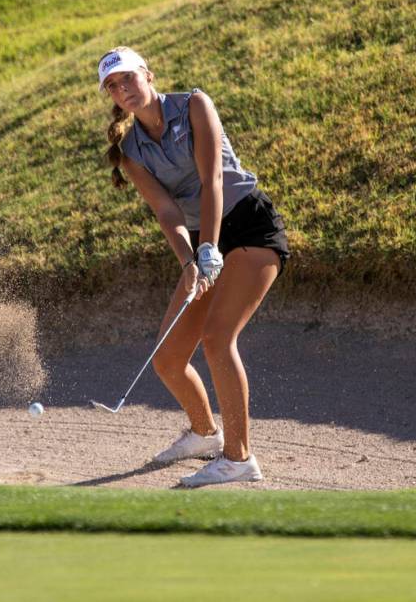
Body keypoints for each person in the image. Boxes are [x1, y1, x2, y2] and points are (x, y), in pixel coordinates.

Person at [96, 46, 290, 487]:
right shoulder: (129, 151)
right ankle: (204, 434)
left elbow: (212, 180)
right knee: (167, 358)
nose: (123, 88)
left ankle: (239, 458)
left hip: (249, 226)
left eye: (128, 77)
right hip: (202, 241)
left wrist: (209, 248)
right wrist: (190, 259)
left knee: (217, 339)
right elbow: (166, 212)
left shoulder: (194, 105)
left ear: (148, 73)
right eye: (112, 85)